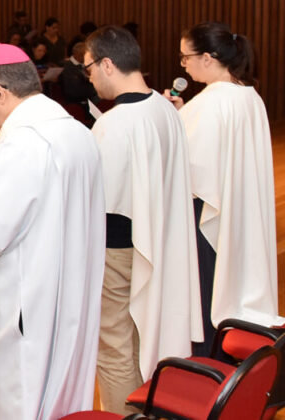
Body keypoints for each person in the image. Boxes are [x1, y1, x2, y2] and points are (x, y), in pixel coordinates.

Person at [0, 43, 104, 420]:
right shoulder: (75, 130)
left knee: (21, 395)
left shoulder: (23, 141)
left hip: (28, 300)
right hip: (68, 287)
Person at [85, 25, 203, 414]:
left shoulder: (115, 123)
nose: (89, 77)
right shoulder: (164, 107)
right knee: (139, 337)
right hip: (159, 237)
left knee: (114, 347)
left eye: (89, 68)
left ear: (107, 64)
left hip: (119, 248)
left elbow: (100, 199)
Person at [166, 22, 282, 347]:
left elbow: (191, 168)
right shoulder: (248, 95)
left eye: (185, 57)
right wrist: (183, 114)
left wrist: (174, 123)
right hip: (240, 208)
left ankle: (207, 359)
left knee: (208, 290)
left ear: (207, 57)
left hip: (207, 210)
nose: (182, 65)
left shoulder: (211, 102)